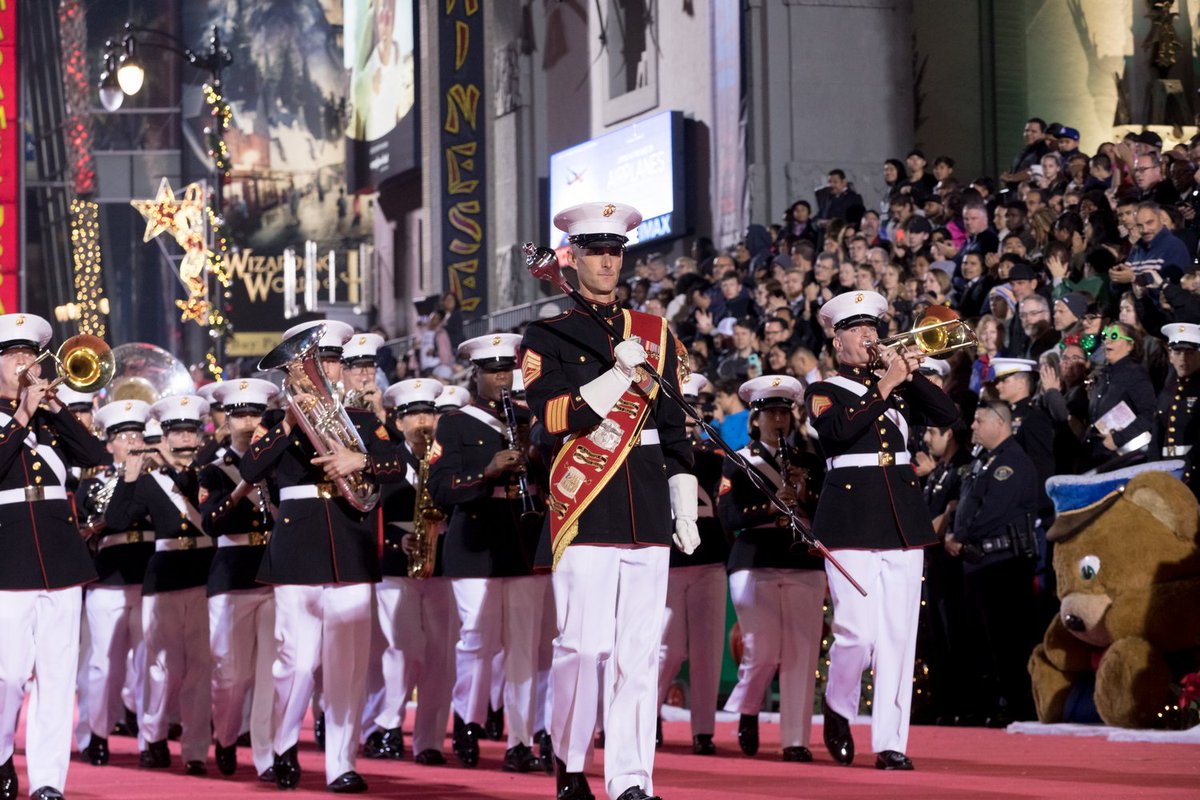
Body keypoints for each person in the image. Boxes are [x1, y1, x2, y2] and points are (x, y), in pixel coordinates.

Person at [521, 201, 695, 800]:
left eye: (615, 251)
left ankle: (631, 777)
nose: (606, 261)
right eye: (595, 250)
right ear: (571, 257)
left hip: (646, 503)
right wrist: (613, 378)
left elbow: (673, 422)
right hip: (586, 506)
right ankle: (570, 763)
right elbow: (548, 419)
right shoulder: (544, 334)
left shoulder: (655, 332)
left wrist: (683, 495)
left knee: (639, 654)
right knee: (581, 646)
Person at [805, 290, 959, 771]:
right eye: (856, 329)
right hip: (850, 517)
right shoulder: (823, 389)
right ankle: (838, 706)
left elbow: (948, 417)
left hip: (901, 520)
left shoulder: (894, 385)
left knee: (898, 635)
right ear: (837, 342)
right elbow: (837, 433)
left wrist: (909, 375)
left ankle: (892, 742)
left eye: (872, 327)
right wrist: (887, 384)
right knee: (856, 631)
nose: (869, 336)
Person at [239, 319, 394, 793]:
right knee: (296, 662)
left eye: (332, 362)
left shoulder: (364, 422)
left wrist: (362, 460)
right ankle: (284, 746)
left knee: (346, 668)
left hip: (350, 544)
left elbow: (400, 466)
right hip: (299, 547)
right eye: (319, 362)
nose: (325, 371)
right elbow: (251, 467)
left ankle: (341, 763)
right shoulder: (275, 423)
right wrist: (288, 420)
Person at [424, 334, 546, 774]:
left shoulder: (532, 417)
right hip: (474, 543)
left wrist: (536, 454)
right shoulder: (456, 423)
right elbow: (440, 486)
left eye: (506, 371)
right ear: (475, 375)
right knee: (475, 642)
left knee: (523, 648)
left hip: (521, 541)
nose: (501, 379)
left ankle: (520, 740)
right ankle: (468, 723)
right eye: (493, 372)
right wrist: (487, 470)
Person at [0, 313, 108, 800]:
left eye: (29, 356)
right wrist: (21, 414)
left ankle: (47, 781)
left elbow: (93, 454)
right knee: (6, 675)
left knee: (58, 678)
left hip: (61, 559)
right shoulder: (12, 420)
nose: (24, 365)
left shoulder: (49, 417)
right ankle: (2, 754)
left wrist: (54, 404)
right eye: (12, 357)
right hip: (9, 557)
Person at [106, 394, 215, 775]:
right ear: (165, 436)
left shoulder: (211, 472)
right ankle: (151, 738)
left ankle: (196, 749)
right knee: (159, 668)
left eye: (190, 431)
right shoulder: (151, 481)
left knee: (202, 667)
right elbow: (118, 519)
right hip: (165, 574)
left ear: (200, 436)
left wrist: (176, 466)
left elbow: (197, 491)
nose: (185, 439)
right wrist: (131, 473)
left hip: (204, 573)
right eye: (177, 432)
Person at [718, 375, 825, 764]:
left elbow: (828, 515)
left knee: (801, 653)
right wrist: (770, 506)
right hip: (755, 558)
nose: (779, 420)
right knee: (761, 651)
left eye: (784, 413)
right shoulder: (738, 461)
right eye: (771, 413)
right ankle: (747, 709)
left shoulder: (810, 462)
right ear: (755, 418)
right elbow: (728, 516)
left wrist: (805, 493)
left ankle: (796, 739)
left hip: (801, 560)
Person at [364, 378, 456, 765]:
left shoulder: (447, 459)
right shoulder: (386, 462)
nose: (423, 421)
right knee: (403, 651)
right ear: (397, 421)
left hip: (441, 562)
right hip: (395, 567)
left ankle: (430, 740)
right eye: (414, 414)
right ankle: (385, 726)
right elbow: (367, 514)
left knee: (441, 656)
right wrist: (393, 544)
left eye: (429, 412)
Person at [199, 378, 279, 780]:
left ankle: (265, 756)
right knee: (231, 675)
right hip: (230, 577)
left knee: (269, 673)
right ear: (226, 421)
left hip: (272, 573)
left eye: (255, 414)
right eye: (240, 415)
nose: (249, 423)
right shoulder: (213, 472)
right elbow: (212, 523)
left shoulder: (279, 464)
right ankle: (227, 736)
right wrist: (244, 486)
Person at [945, 402, 1039, 725]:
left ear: (1000, 423)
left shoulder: (1011, 462)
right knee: (985, 643)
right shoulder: (985, 461)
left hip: (1004, 566)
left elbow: (994, 512)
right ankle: (992, 705)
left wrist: (960, 534)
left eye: (979, 420)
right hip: (981, 564)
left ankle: (1017, 707)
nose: (972, 426)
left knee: (1007, 642)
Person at [78, 399, 157, 768]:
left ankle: (149, 739)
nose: (132, 442)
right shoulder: (95, 483)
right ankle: (96, 733)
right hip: (107, 579)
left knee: (147, 664)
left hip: (147, 578)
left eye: (136, 434)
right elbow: (110, 520)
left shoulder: (155, 479)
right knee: (102, 666)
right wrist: (127, 480)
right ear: (108, 445)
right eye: (123, 436)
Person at [657, 374, 729, 756]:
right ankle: (647, 715)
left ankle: (704, 729)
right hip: (666, 561)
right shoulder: (653, 454)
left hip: (709, 557)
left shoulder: (712, 457)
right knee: (666, 647)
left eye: (691, 409)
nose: (687, 417)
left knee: (707, 649)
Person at [1150, 323, 1200, 496]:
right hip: (1167, 473)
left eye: (1190, 353)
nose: (1183, 359)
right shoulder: (1168, 390)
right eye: (1177, 353)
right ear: (1170, 356)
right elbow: (1158, 433)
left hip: (1194, 476)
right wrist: (1153, 471)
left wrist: (1188, 472)